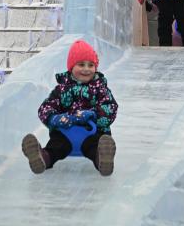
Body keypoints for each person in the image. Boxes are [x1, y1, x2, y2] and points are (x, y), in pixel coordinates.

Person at [21, 40, 118, 176]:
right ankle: (42, 157)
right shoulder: (61, 89)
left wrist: (93, 114)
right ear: (71, 67)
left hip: (91, 132)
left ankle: (103, 159)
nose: (86, 69)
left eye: (91, 65)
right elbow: (45, 107)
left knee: (94, 147)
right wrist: (54, 118)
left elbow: (110, 108)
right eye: (81, 64)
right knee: (56, 147)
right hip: (65, 132)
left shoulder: (100, 89)